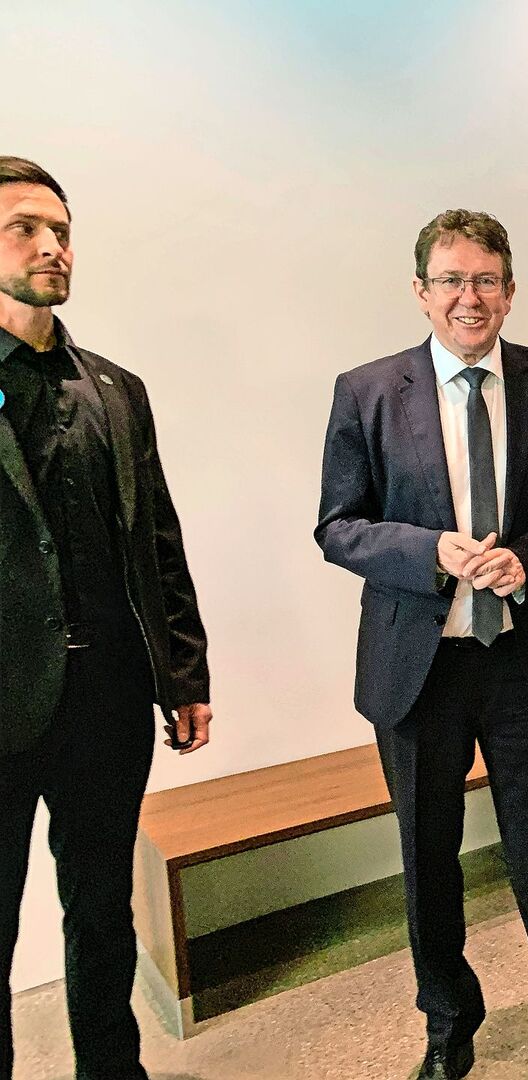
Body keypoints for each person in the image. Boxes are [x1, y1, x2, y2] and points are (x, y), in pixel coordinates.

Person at [315, 209, 528, 1080]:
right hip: (417, 669)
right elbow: (338, 526)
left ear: (511, 290)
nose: (470, 297)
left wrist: (527, 558)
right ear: (421, 292)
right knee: (429, 854)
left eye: (486, 280)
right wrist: (429, 552)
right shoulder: (367, 391)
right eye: (452, 280)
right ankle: (448, 1023)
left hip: (521, 660)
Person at [0, 157, 212, 1080]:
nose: (51, 246)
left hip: (107, 702)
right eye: (24, 229)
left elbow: (157, 539)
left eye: (61, 230)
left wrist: (185, 675)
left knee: (100, 913)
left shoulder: (115, 389)